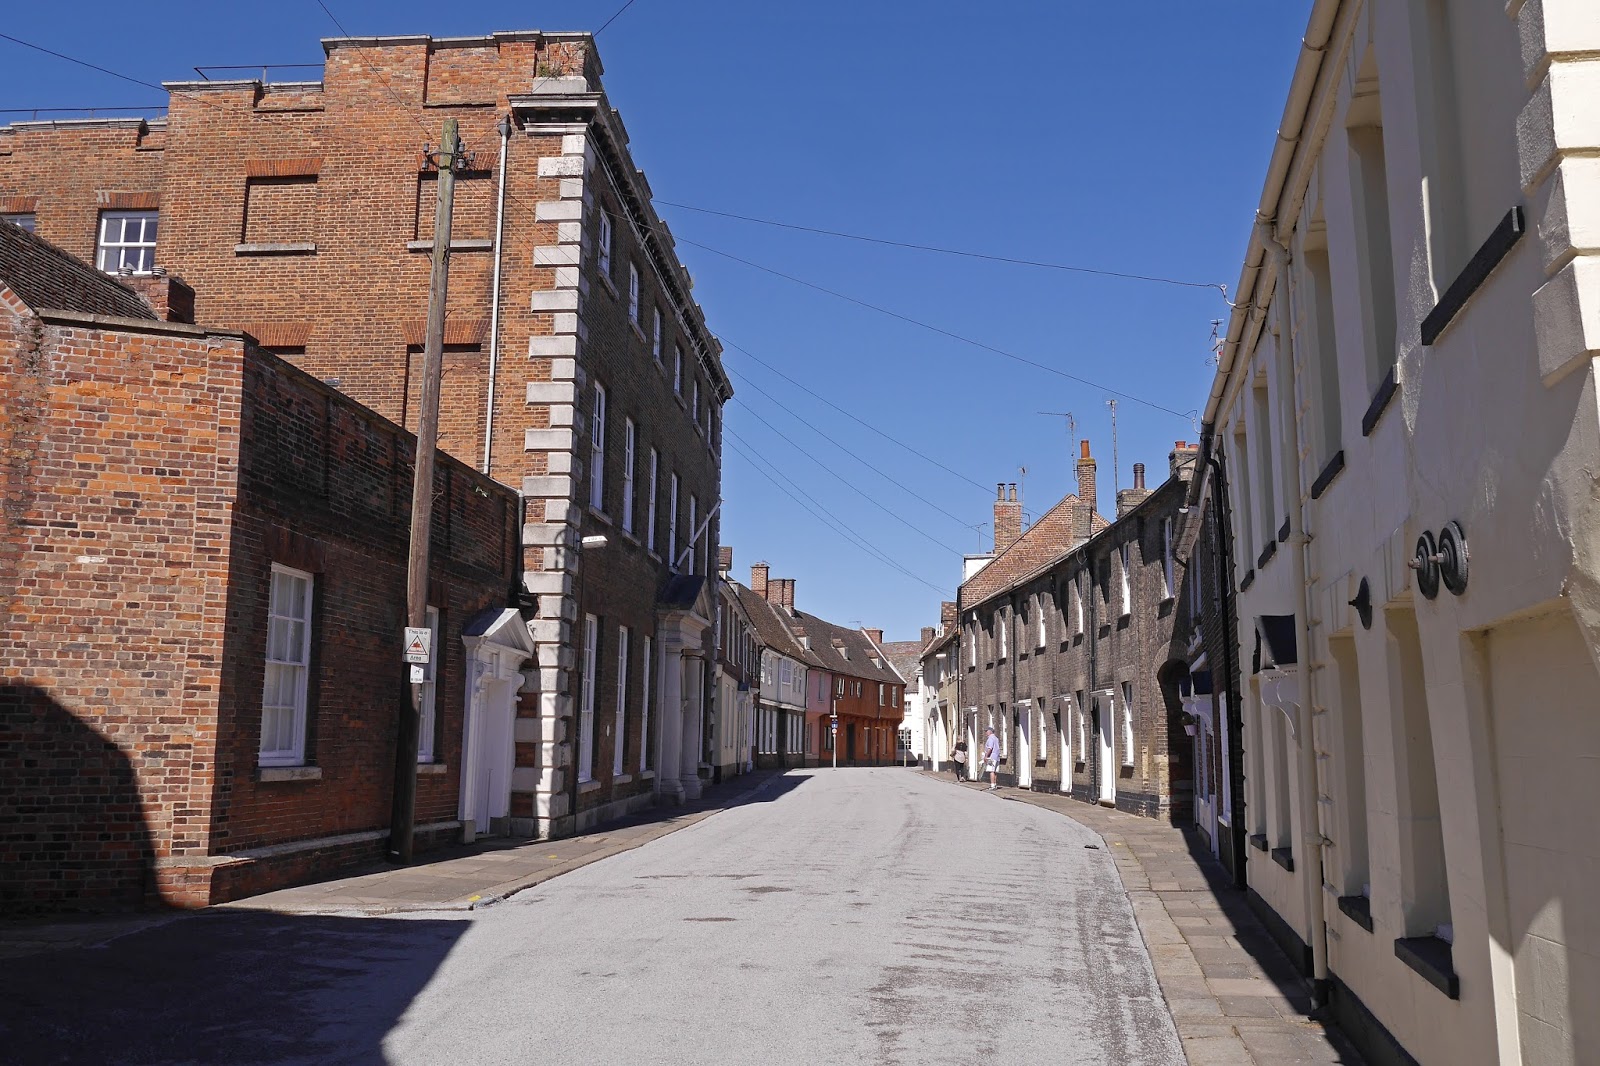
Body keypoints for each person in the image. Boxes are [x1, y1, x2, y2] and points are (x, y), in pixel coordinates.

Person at [982, 726, 1002, 791]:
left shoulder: (990, 738)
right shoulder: (996, 738)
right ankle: (995, 784)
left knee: (991, 771)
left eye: (986, 731)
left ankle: (992, 785)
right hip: (997, 757)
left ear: (990, 731)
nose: (986, 733)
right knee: (995, 771)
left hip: (991, 757)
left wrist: (986, 756)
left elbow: (990, 748)